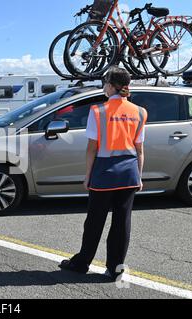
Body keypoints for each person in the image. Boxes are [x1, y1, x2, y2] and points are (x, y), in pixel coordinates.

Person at [59, 66, 148, 281]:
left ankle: (82, 263)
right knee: (122, 222)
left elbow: (92, 148)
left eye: (104, 83)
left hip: (103, 174)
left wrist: (87, 175)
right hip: (128, 174)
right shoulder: (140, 112)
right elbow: (140, 149)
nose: (103, 87)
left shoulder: (98, 111)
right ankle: (115, 270)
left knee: (94, 221)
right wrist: (139, 175)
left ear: (110, 86)